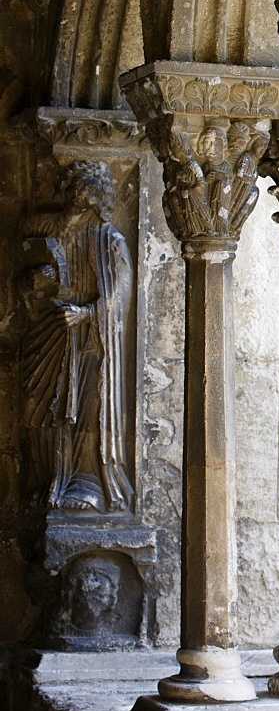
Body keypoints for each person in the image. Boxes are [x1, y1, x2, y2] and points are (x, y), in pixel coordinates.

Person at [21, 161, 133, 513]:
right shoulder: (43, 227)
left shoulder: (109, 239)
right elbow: (19, 286)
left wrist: (85, 313)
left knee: (84, 406)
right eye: (75, 186)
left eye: (89, 189)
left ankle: (86, 482)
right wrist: (29, 283)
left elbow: (120, 296)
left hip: (88, 340)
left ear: (99, 197)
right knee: (38, 404)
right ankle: (49, 479)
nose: (79, 195)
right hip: (49, 328)